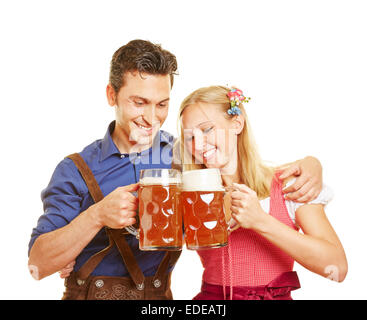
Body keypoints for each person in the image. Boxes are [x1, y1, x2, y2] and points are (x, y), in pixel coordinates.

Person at [28, 40, 324, 300]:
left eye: (162, 104)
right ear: (111, 95)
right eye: (139, 102)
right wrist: (96, 216)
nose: (151, 117)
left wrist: (312, 164)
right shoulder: (75, 169)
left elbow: (240, 165)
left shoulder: (189, 156)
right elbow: (38, 265)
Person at [178, 85, 347, 300]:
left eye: (207, 129)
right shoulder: (194, 195)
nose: (198, 144)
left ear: (237, 123)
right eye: (190, 137)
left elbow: (337, 268)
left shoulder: (289, 184)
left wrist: (260, 221)